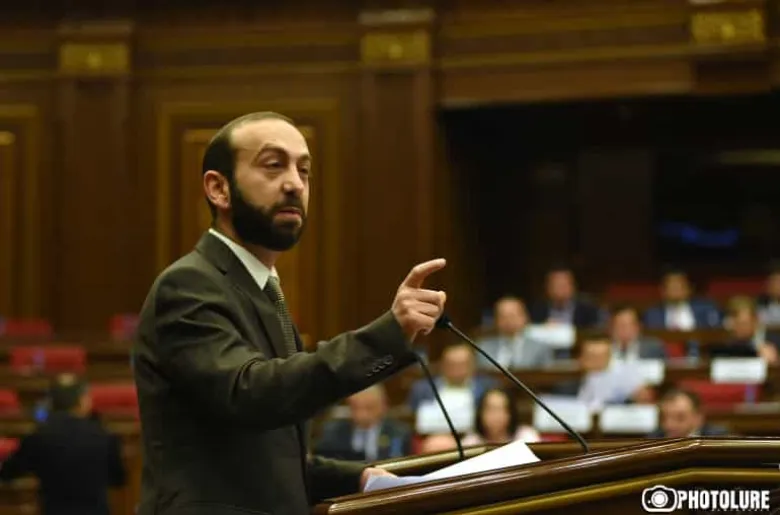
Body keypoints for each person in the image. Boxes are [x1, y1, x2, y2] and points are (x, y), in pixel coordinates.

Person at [133, 111, 447, 515]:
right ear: (218, 188)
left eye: (304, 170)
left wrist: (359, 478)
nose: (295, 183)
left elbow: (266, 458)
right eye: (273, 165)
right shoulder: (189, 285)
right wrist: (387, 334)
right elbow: (252, 395)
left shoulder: (261, 291)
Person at [0, 374, 126, 515]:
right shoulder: (104, 435)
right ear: (82, 401)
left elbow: (8, 472)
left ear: (52, 404)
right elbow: (118, 479)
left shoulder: (39, 436)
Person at [315, 385, 412, 462]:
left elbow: (398, 460)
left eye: (369, 408)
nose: (361, 415)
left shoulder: (398, 433)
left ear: (383, 406)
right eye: (355, 407)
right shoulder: (332, 432)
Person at [461, 388, 539, 446]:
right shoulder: (470, 442)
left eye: (501, 409)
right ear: (480, 413)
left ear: (511, 413)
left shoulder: (526, 436)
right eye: (490, 409)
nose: (496, 415)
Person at [648, 389, 728, 438]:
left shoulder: (718, 438)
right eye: (664, 418)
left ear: (698, 417)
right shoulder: (654, 438)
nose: (669, 424)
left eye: (680, 417)